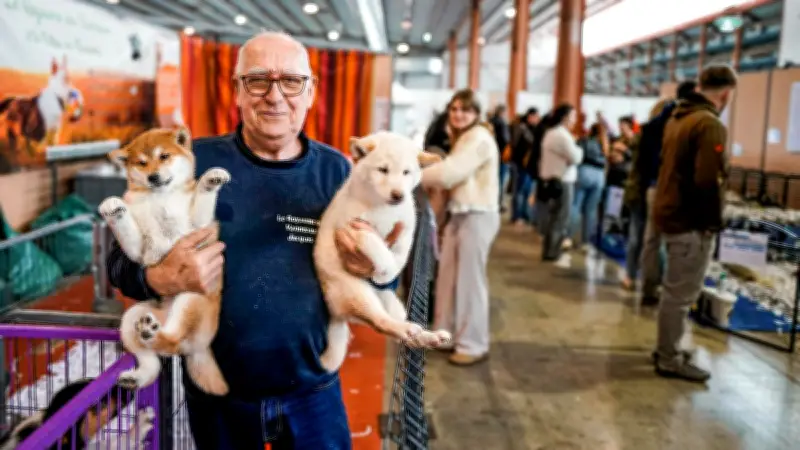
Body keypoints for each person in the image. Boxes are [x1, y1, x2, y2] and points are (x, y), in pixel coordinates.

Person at [105, 31, 402, 449]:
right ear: (237, 92)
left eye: (291, 81)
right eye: (258, 80)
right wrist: (160, 278)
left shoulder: (340, 173)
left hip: (313, 392)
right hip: (221, 394)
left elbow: (384, 281)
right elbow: (118, 264)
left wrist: (376, 269)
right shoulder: (189, 164)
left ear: (311, 91)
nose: (275, 96)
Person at [652, 64, 737, 382]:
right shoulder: (709, 124)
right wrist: (713, 221)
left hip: (671, 212)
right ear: (726, 93)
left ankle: (668, 346)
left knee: (674, 291)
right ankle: (669, 356)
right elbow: (708, 180)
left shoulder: (679, 117)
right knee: (681, 293)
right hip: (690, 221)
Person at [423, 89, 500, 366]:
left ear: (477, 114)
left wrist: (406, 175)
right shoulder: (465, 137)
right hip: (461, 215)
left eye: (465, 110)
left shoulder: (478, 138)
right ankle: (448, 335)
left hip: (477, 215)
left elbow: (449, 174)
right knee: (448, 279)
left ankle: (473, 343)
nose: (458, 114)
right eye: (454, 109)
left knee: (469, 282)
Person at [637, 80, 698, 305]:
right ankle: (673, 295)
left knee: (651, 240)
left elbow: (643, 162)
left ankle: (649, 289)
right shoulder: (689, 124)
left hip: (654, 186)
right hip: (677, 189)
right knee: (679, 243)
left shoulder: (654, 124)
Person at [538, 103, 583, 268]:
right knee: (560, 218)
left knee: (554, 217)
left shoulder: (551, 133)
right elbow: (577, 157)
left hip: (552, 179)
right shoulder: (562, 136)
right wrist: (578, 149)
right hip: (562, 180)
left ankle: (549, 250)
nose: (575, 120)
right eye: (573, 116)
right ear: (565, 118)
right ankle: (552, 252)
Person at [569, 122, 608, 251]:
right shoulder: (605, 144)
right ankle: (586, 242)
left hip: (584, 172)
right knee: (590, 211)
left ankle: (568, 237)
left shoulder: (584, 140)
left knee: (576, 206)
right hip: (600, 176)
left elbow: (577, 157)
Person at [509, 107, 540, 228]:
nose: (537, 119)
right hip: (519, 164)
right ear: (530, 116)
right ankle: (516, 215)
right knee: (519, 191)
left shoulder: (535, 130)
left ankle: (525, 214)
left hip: (529, 165)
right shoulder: (521, 128)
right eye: (535, 117)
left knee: (527, 191)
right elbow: (515, 144)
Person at [489, 105, 511, 209]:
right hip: (501, 157)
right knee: (501, 181)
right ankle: (499, 203)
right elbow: (505, 139)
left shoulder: (490, 122)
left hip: (491, 156)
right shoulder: (502, 123)